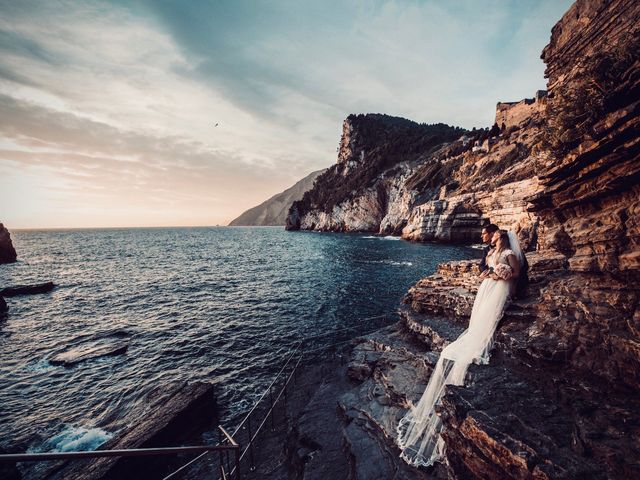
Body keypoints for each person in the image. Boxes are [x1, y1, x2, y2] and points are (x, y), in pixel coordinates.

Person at [397, 230, 523, 467]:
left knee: (489, 319)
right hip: (489, 286)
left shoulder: (509, 253)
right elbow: (488, 267)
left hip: (500, 288)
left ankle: (483, 337)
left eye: (495, 235)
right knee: (479, 317)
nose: (492, 237)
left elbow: (515, 273)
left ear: (503, 238)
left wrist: (501, 277)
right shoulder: (495, 252)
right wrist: (491, 274)